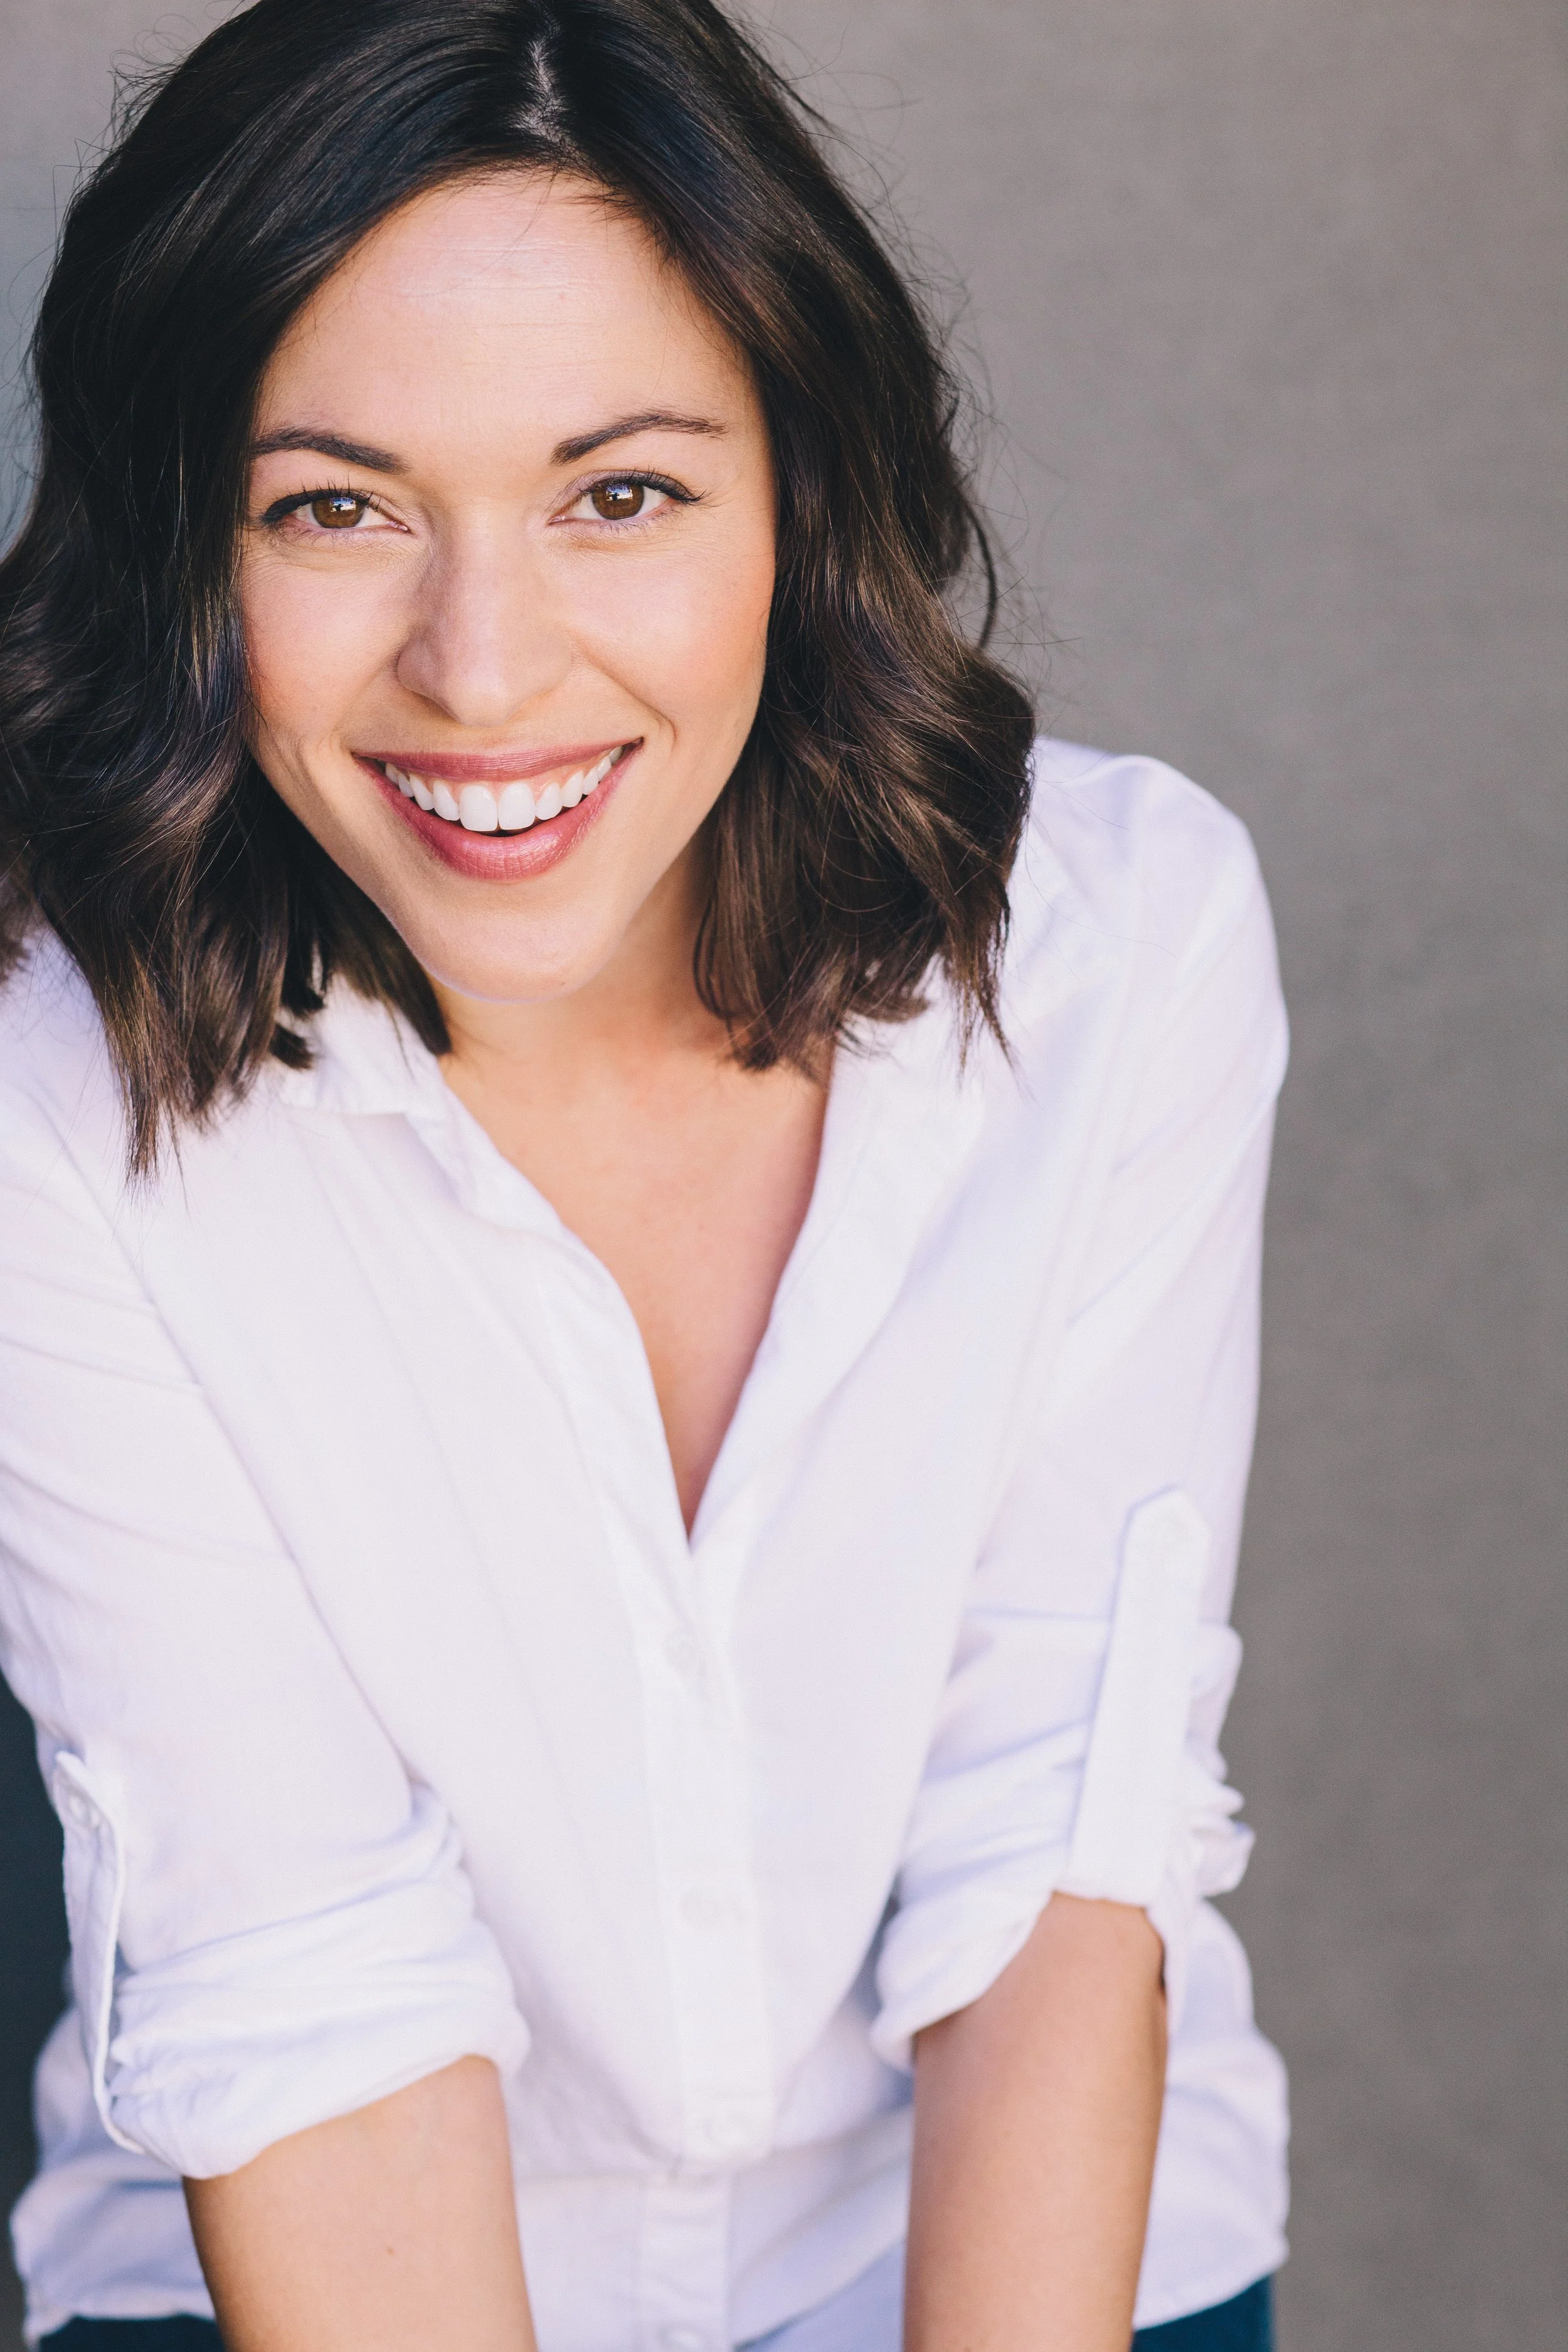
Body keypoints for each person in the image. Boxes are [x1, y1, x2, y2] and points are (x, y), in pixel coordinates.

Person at [0, 2, 1290, 2346]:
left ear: (799, 497)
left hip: (1001, 2222)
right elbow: (303, 1984)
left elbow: (1054, 1841)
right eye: (334, 506)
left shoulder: (1123, 944)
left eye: (619, 494)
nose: (484, 672)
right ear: (185, 547)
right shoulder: (49, 1095)